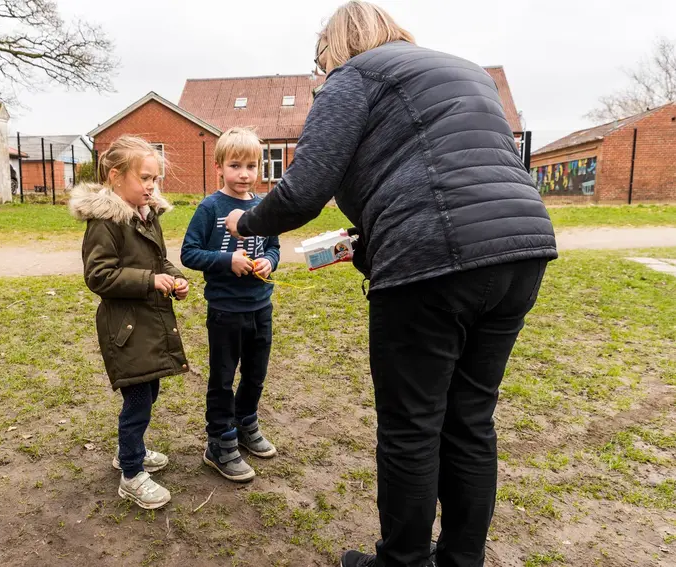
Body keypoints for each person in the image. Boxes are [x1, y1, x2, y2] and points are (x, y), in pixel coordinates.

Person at [224, 2, 558, 566]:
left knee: (411, 427)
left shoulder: (355, 75)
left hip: (434, 260)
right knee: (470, 420)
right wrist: (372, 240)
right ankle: (460, 560)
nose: (319, 74)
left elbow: (305, 186)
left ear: (334, 48)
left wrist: (247, 220)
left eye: (319, 62)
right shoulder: (466, 72)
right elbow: (442, 170)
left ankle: (401, 561)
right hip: (521, 249)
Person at [69, 135, 190, 510]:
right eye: (145, 178)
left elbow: (158, 261)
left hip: (148, 321)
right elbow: (99, 276)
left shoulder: (147, 215)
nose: (152, 186)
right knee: (137, 399)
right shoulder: (105, 222)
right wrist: (150, 281)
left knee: (148, 392)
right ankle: (131, 474)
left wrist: (174, 277)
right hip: (126, 327)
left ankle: (129, 451)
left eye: (155, 179)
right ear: (115, 176)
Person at [181, 127, 281, 482]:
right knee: (223, 379)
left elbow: (273, 246)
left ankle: (245, 424)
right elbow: (188, 253)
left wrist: (269, 260)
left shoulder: (263, 207)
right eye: (235, 165)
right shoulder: (210, 207)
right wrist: (227, 261)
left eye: (251, 166)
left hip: (260, 306)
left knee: (255, 374)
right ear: (219, 165)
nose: (244, 174)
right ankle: (219, 442)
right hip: (225, 311)